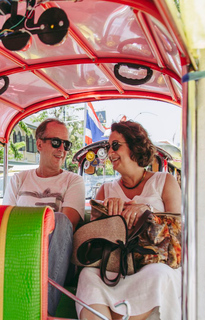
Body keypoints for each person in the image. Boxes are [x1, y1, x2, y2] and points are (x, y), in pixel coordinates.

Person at [76, 120, 182, 320]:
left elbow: (178, 234)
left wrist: (147, 211)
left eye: (115, 145)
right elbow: (94, 237)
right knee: (88, 276)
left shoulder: (164, 182)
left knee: (160, 275)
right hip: (115, 267)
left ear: (135, 146)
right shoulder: (105, 190)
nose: (110, 153)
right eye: (108, 147)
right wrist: (105, 215)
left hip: (153, 265)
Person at [2, 118, 85, 316]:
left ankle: (41, 310)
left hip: (52, 255)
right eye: (56, 142)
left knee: (61, 220)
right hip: (18, 250)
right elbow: (5, 221)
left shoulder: (73, 181)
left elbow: (66, 226)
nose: (62, 149)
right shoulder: (19, 179)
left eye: (66, 144)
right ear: (39, 144)